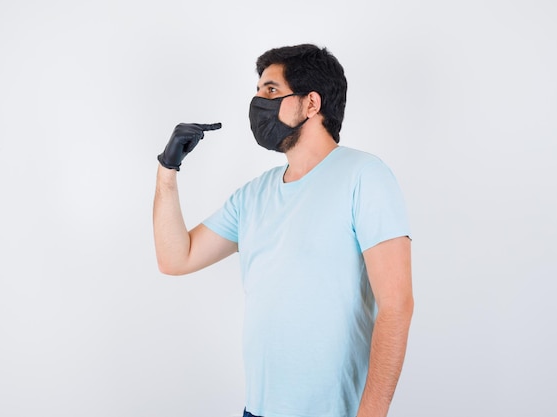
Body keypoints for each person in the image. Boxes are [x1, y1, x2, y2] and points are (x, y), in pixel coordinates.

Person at [153, 44, 413, 417]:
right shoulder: (254, 194)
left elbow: (397, 305)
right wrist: (167, 169)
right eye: (257, 92)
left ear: (311, 103)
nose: (259, 103)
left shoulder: (364, 176)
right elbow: (175, 258)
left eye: (271, 91)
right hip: (257, 410)